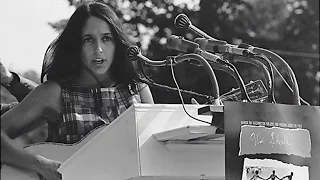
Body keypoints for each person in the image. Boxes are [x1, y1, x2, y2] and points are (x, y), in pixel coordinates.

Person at [1, 2, 154, 180]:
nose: (98, 50)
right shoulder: (54, 93)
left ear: (117, 43)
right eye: (88, 39)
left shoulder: (138, 90)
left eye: (106, 38)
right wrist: (39, 164)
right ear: (76, 46)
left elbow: (154, 150)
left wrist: (190, 123)